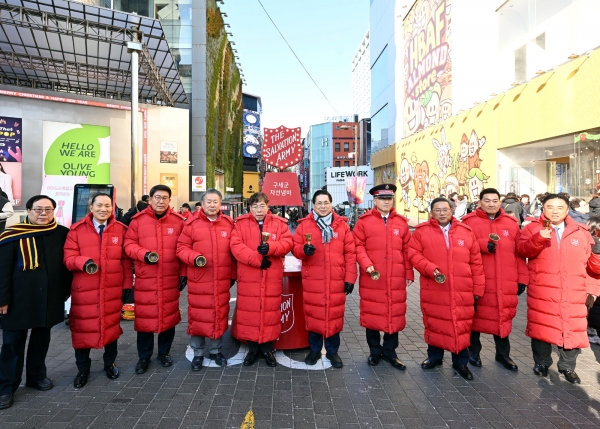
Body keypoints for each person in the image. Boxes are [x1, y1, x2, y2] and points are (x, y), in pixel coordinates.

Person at [517, 193, 600, 383]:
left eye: (559, 207)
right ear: (543, 209)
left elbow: (593, 267)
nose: (555, 211)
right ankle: (542, 363)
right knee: (542, 329)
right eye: (550, 207)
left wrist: (593, 290)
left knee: (573, 328)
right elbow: (522, 251)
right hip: (544, 290)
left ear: (567, 209)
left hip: (574, 290)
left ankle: (567, 367)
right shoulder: (532, 229)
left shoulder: (581, 232)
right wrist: (538, 239)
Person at [0, 195, 72, 409]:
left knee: (42, 339)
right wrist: (2, 299)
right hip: (18, 299)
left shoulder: (62, 233)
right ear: (29, 211)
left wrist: (65, 293)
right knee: (12, 344)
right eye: (38, 209)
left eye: (48, 210)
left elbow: (66, 266)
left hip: (49, 297)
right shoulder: (11, 235)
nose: (44, 214)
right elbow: (2, 271)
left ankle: (36, 376)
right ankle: (6, 387)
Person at [408, 197, 485, 381]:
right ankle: (434, 357)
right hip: (434, 287)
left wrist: (478, 290)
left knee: (461, 325)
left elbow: (476, 263)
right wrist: (429, 268)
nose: (442, 213)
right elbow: (413, 254)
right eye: (437, 210)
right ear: (431, 212)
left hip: (462, 288)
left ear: (452, 210)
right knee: (435, 322)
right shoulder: (421, 232)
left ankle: (461, 363)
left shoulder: (466, 232)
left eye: (445, 209)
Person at [63, 193, 133, 388]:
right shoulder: (76, 230)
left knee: (111, 328)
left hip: (112, 289)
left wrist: (127, 285)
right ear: (91, 207)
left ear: (113, 208)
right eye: (99, 205)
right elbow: (68, 259)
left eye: (108, 206)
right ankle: (83, 369)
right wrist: (83, 262)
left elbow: (126, 261)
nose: (104, 209)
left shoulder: (121, 230)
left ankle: (109, 364)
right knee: (82, 330)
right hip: (85, 289)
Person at [461, 188, 528, 372]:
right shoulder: (468, 223)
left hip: (505, 280)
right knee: (474, 319)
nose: (491, 204)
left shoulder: (511, 223)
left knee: (503, 317)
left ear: (500, 202)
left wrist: (523, 277)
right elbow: (462, 248)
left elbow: (520, 253)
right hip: (478, 281)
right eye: (487, 200)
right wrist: (483, 244)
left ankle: (503, 355)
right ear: (479, 202)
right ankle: (473, 353)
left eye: (495, 200)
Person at [292, 190, 357, 368]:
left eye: (326, 202)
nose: (322, 206)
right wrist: (303, 252)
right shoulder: (304, 225)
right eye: (319, 203)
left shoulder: (342, 226)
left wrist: (350, 278)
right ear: (313, 205)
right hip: (313, 278)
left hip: (336, 279)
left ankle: (332, 351)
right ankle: (314, 350)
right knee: (314, 314)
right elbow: (295, 247)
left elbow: (350, 254)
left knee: (334, 314)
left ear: (331, 204)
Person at [124, 185, 185, 374]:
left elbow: (185, 247)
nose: (161, 201)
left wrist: (183, 273)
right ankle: (144, 357)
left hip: (169, 277)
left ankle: (164, 353)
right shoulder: (138, 221)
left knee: (168, 317)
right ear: (150, 199)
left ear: (169, 200)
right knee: (145, 320)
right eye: (157, 197)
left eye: (165, 198)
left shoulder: (179, 221)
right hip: (146, 278)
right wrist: (143, 254)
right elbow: (128, 244)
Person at [353, 184, 413, 370]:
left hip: (395, 278)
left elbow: (407, 250)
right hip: (373, 277)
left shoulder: (401, 223)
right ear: (375, 201)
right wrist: (366, 263)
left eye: (389, 198)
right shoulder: (363, 222)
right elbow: (358, 246)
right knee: (372, 315)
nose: (386, 202)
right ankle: (374, 351)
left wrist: (409, 272)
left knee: (393, 314)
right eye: (382, 198)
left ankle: (390, 352)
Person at [230, 192, 293, 367]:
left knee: (270, 310)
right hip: (249, 275)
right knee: (249, 311)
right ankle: (252, 349)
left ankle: (267, 348)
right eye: (255, 206)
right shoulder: (240, 224)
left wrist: (271, 248)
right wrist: (257, 259)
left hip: (271, 275)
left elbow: (288, 243)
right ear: (250, 208)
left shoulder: (279, 224)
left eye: (262, 206)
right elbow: (235, 246)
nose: (259, 210)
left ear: (268, 206)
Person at [176, 189, 236, 369]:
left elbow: (234, 252)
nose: (211, 205)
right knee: (198, 315)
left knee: (219, 313)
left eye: (215, 202)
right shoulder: (191, 224)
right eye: (208, 202)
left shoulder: (228, 223)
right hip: (199, 279)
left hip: (222, 279)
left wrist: (233, 275)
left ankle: (216, 351)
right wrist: (194, 258)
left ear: (220, 204)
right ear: (202, 204)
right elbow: (181, 248)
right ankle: (198, 353)